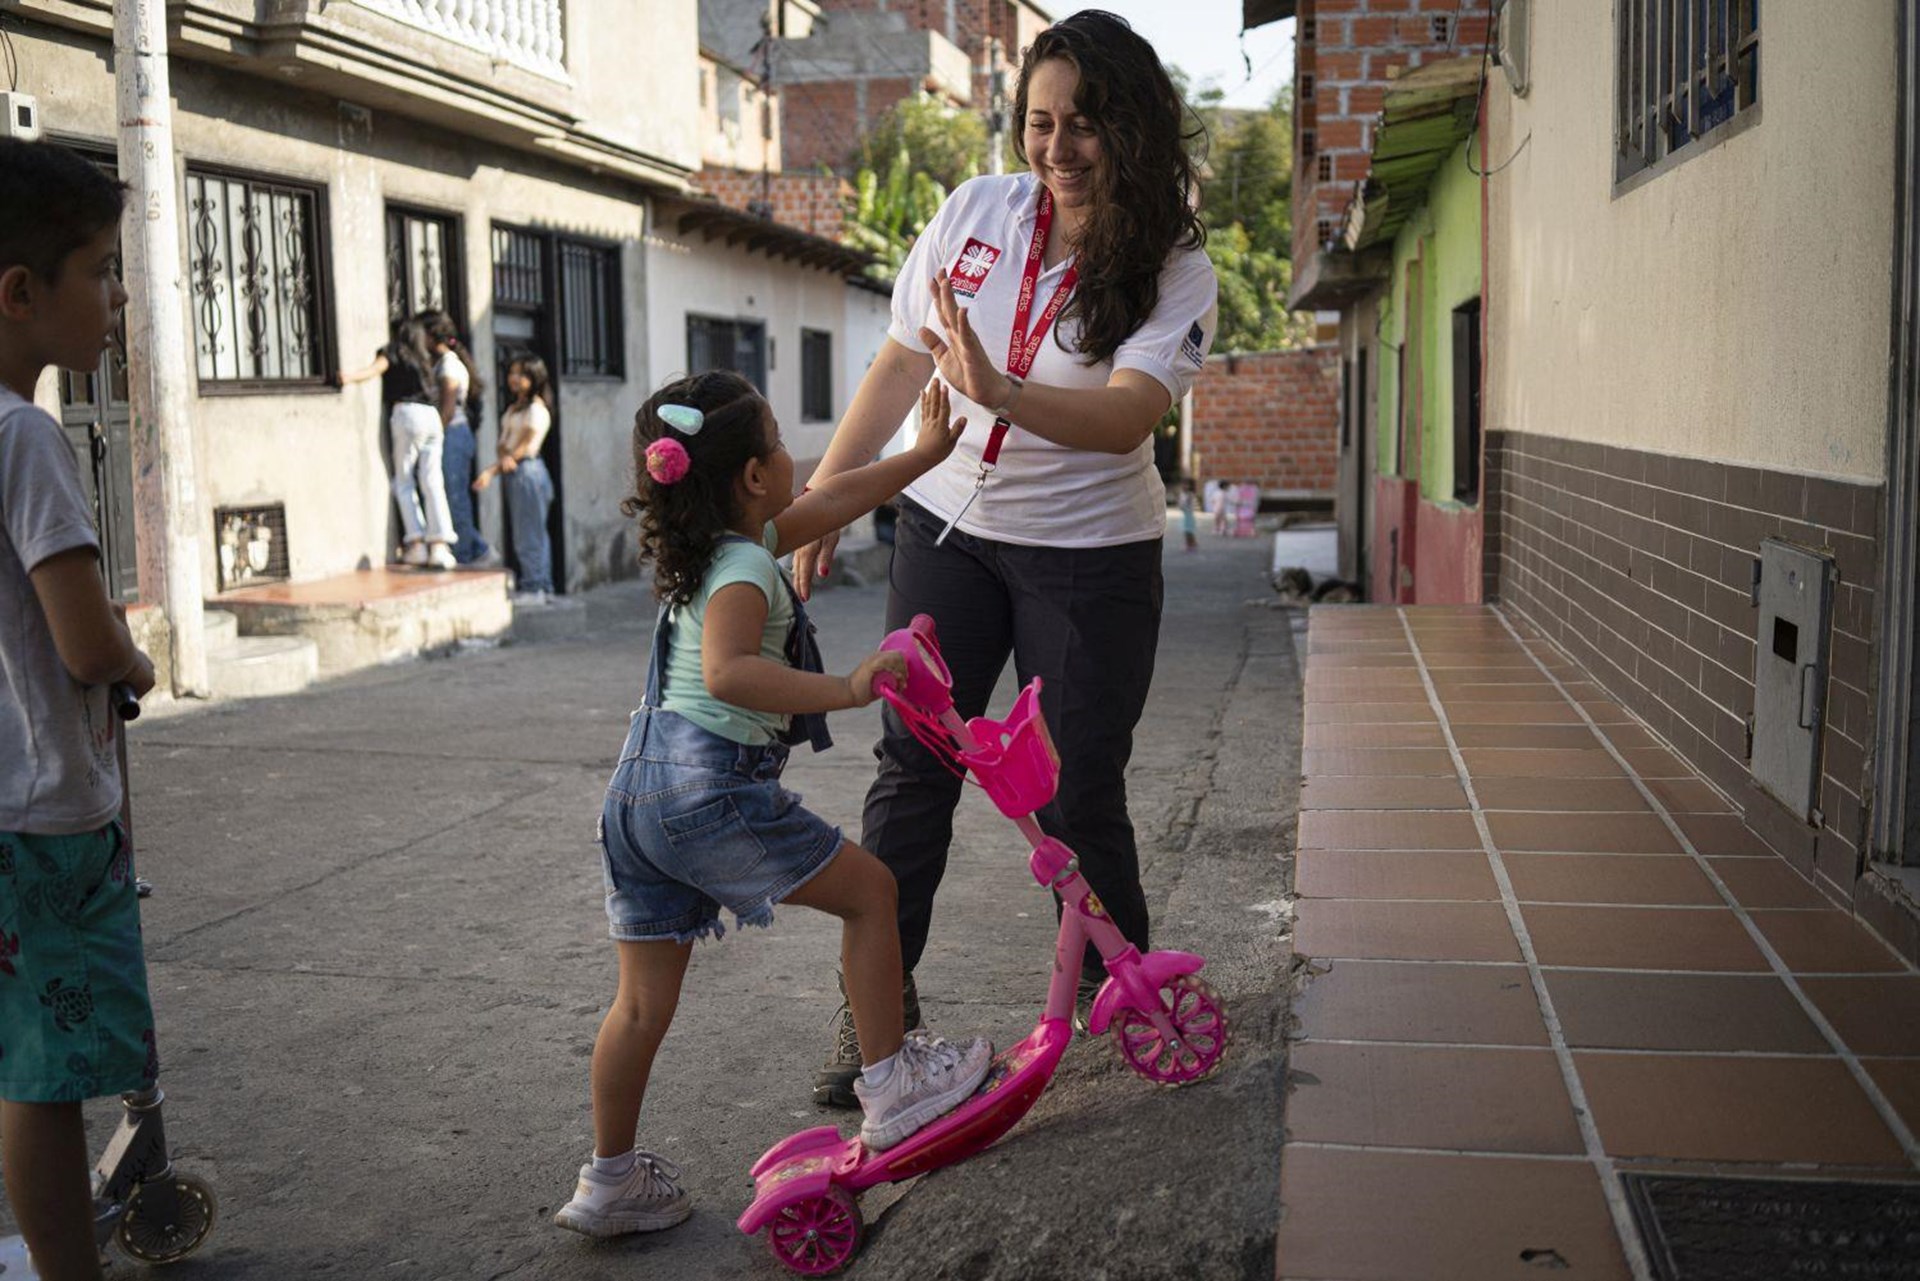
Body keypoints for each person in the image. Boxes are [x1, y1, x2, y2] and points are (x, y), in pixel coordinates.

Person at [791, 9, 1219, 1107]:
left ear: (1133, 128)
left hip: (1089, 553)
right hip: (945, 530)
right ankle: (879, 1015)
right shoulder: (976, 209)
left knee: (1075, 788)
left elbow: (1126, 417)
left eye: (1085, 123)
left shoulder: (1175, 266)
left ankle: (1121, 986)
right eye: (1040, 121)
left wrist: (1003, 391)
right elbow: (902, 363)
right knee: (913, 766)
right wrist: (830, 493)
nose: (1057, 147)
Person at [551, 370, 990, 1239]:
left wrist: (924, 455)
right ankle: (892, 1083)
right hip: (706, 789)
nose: (797, 457)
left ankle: (609, 1180)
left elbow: (833, 499)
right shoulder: (748, 565)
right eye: (782, 442)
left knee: (638, 1004)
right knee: (872, 892)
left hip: (637, 798)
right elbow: (728, 673)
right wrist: (850, 687)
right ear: (753, 475)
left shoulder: (718, 546)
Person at [0, 138, 160, 1281]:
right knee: (45, 1077)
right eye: (101, 270)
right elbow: (85, 639)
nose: (116, 298)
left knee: (14, 1051)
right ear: (20, 292)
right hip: (42, 809)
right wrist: (136, 663)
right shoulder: (26, 438)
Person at [336, 318, 457, 570]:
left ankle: (416, 544)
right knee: (433, 480)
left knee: (404, 481)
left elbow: (375, 369)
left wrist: (349, 377)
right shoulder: (424, 358)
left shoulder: (394, 351)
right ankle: (440, 545)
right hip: (431, 416)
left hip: (408, 414)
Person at [473, 355, 555, 604]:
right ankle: (541, 586)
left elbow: (522, 447)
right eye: (512, 373)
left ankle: (534, 587)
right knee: (528, 531)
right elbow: (504, 445)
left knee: (530, 533)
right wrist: (503, 458)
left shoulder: (536, 410)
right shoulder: (514, 408)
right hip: (517, 473)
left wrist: (491, 471)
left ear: (534, 378)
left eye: (522, 374)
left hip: (528, 472)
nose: (514, 378)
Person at [418, 309, 494, 567]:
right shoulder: (441, 363)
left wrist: (432, 436)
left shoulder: (449, 365)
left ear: (431, 335)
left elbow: (447, 410)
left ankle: (468, 553)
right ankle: (476, 548)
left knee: (454, 495)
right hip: (452, 434)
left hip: (452, 435)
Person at [1179, 480, 1199, 552]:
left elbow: (1188, 504)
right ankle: (1190, 543)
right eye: (1183, 484)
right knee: (1186, 531)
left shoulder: (1190, 494)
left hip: (1189, 515)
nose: (1185, 486)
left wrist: (1184, 504)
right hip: (1185, 515)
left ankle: (1191, 544)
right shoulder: (1182, 494)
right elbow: (1181, 504)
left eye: (1187, 485)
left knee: (1189, 531)